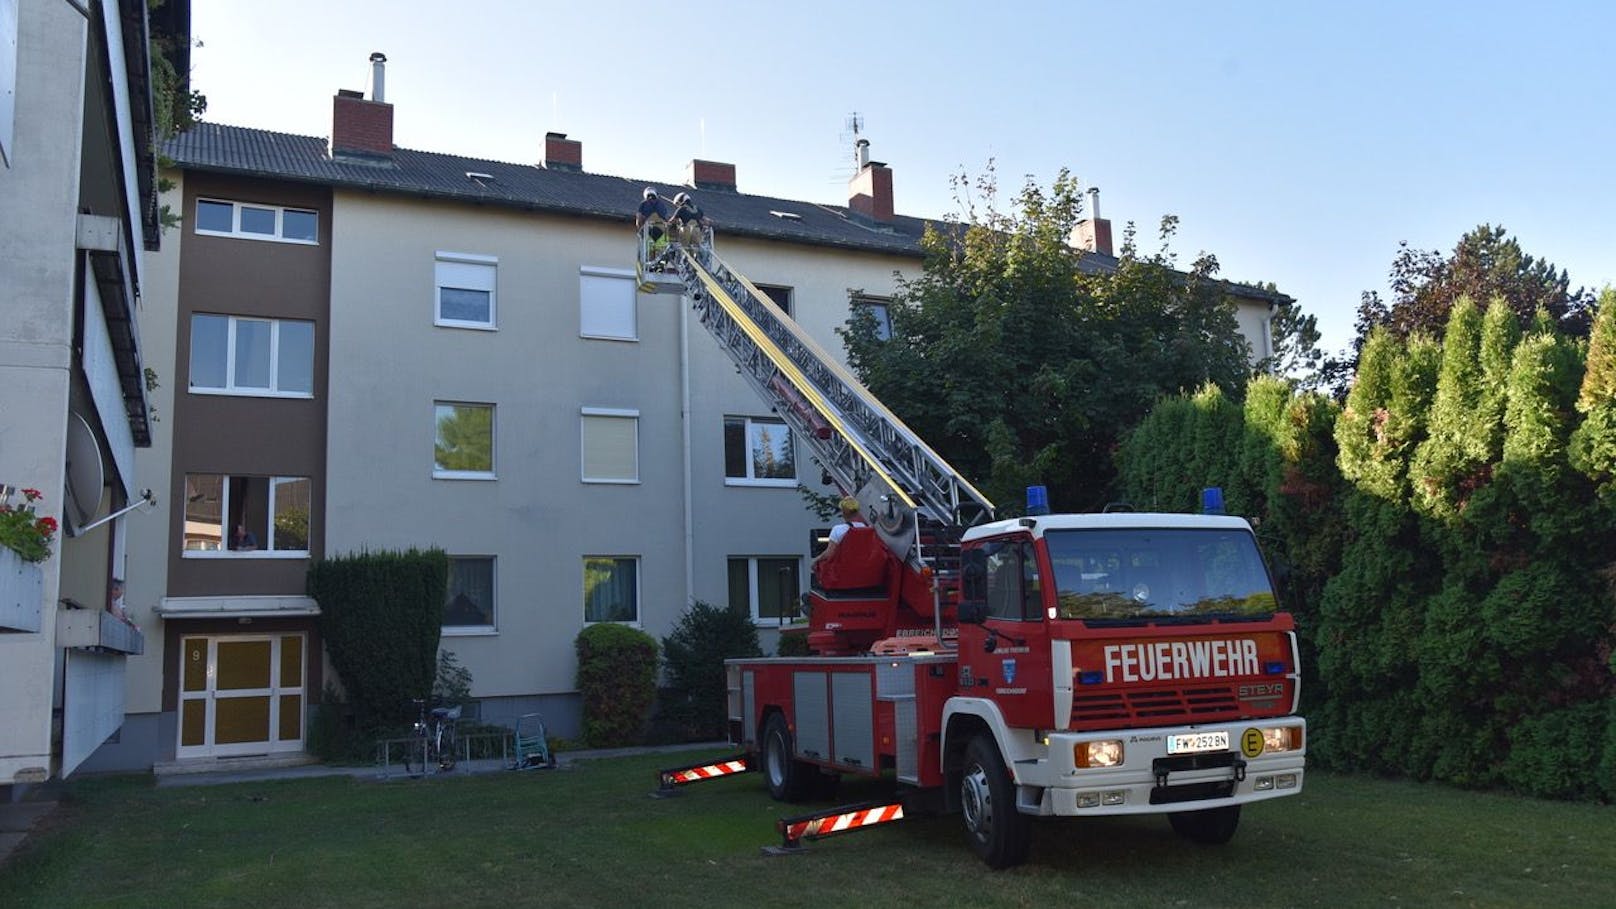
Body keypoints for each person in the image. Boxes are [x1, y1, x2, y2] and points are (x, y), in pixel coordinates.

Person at [811, 497, 869, 571]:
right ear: (857, 512)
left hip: (845, 570)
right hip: (863, 569)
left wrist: (816, 560)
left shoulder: (837, 530)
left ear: (843, 513)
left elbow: (829, 553)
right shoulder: (866, 528)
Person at [635, 187, 671, 259]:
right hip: (662, 230)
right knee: (660, 252)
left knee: (649, 251)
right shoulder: (662, 204)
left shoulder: (644, 203)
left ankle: (649, 261)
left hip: (649, 229)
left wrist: (639, 229)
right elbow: (666, 218)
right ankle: (659, 264)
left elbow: (639, 217)